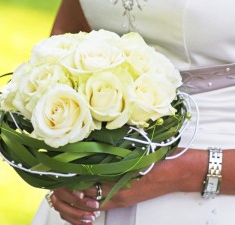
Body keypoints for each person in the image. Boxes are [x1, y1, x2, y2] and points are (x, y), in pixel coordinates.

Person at [32, 0, 235, 224]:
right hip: (89, 193)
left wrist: (180, 172)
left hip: (212, 197)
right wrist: (64, 160)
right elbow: (66, 36)